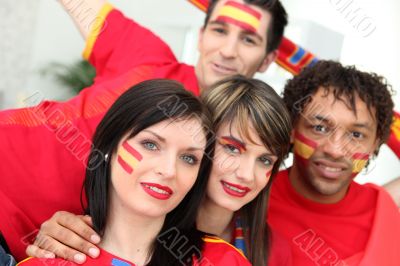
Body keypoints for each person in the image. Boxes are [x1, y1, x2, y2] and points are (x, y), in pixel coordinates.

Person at [0, 0, 288, 261]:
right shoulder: (148, 56)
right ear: (201, 36)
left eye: (248, 40)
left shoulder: (220, 166)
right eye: (219, 30)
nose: (227, 50)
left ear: (266, 60)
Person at [25, 75, 293, 265]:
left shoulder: (251, 251)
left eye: (266, 160)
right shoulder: (75, 238)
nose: (247, 173)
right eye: (232, 148)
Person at [268, 60, 400, 265]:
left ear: (375, 143)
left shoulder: (384, 213)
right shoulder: (250, 198)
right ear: (292, 129)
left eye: (356, 134)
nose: (336, 150)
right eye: (319, 128)